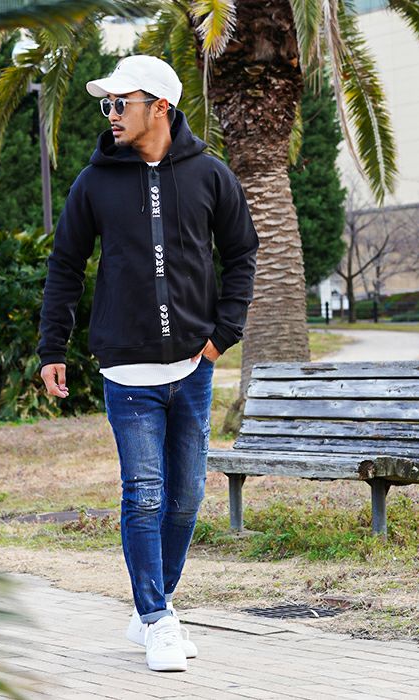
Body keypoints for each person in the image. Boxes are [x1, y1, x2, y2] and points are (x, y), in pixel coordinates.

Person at [36, 54, 259, 672]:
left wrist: (223, 335)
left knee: (185, 499)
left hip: (193, 368)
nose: (110, 114)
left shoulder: (209, 174)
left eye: (121, 103)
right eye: (106, 104)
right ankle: (158, 618)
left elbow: (242, 251)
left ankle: (149, 606)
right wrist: (52, 348)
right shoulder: (94, 182)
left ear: (160, 106)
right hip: (127, 373)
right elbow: (64, 266)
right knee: (144, 495)